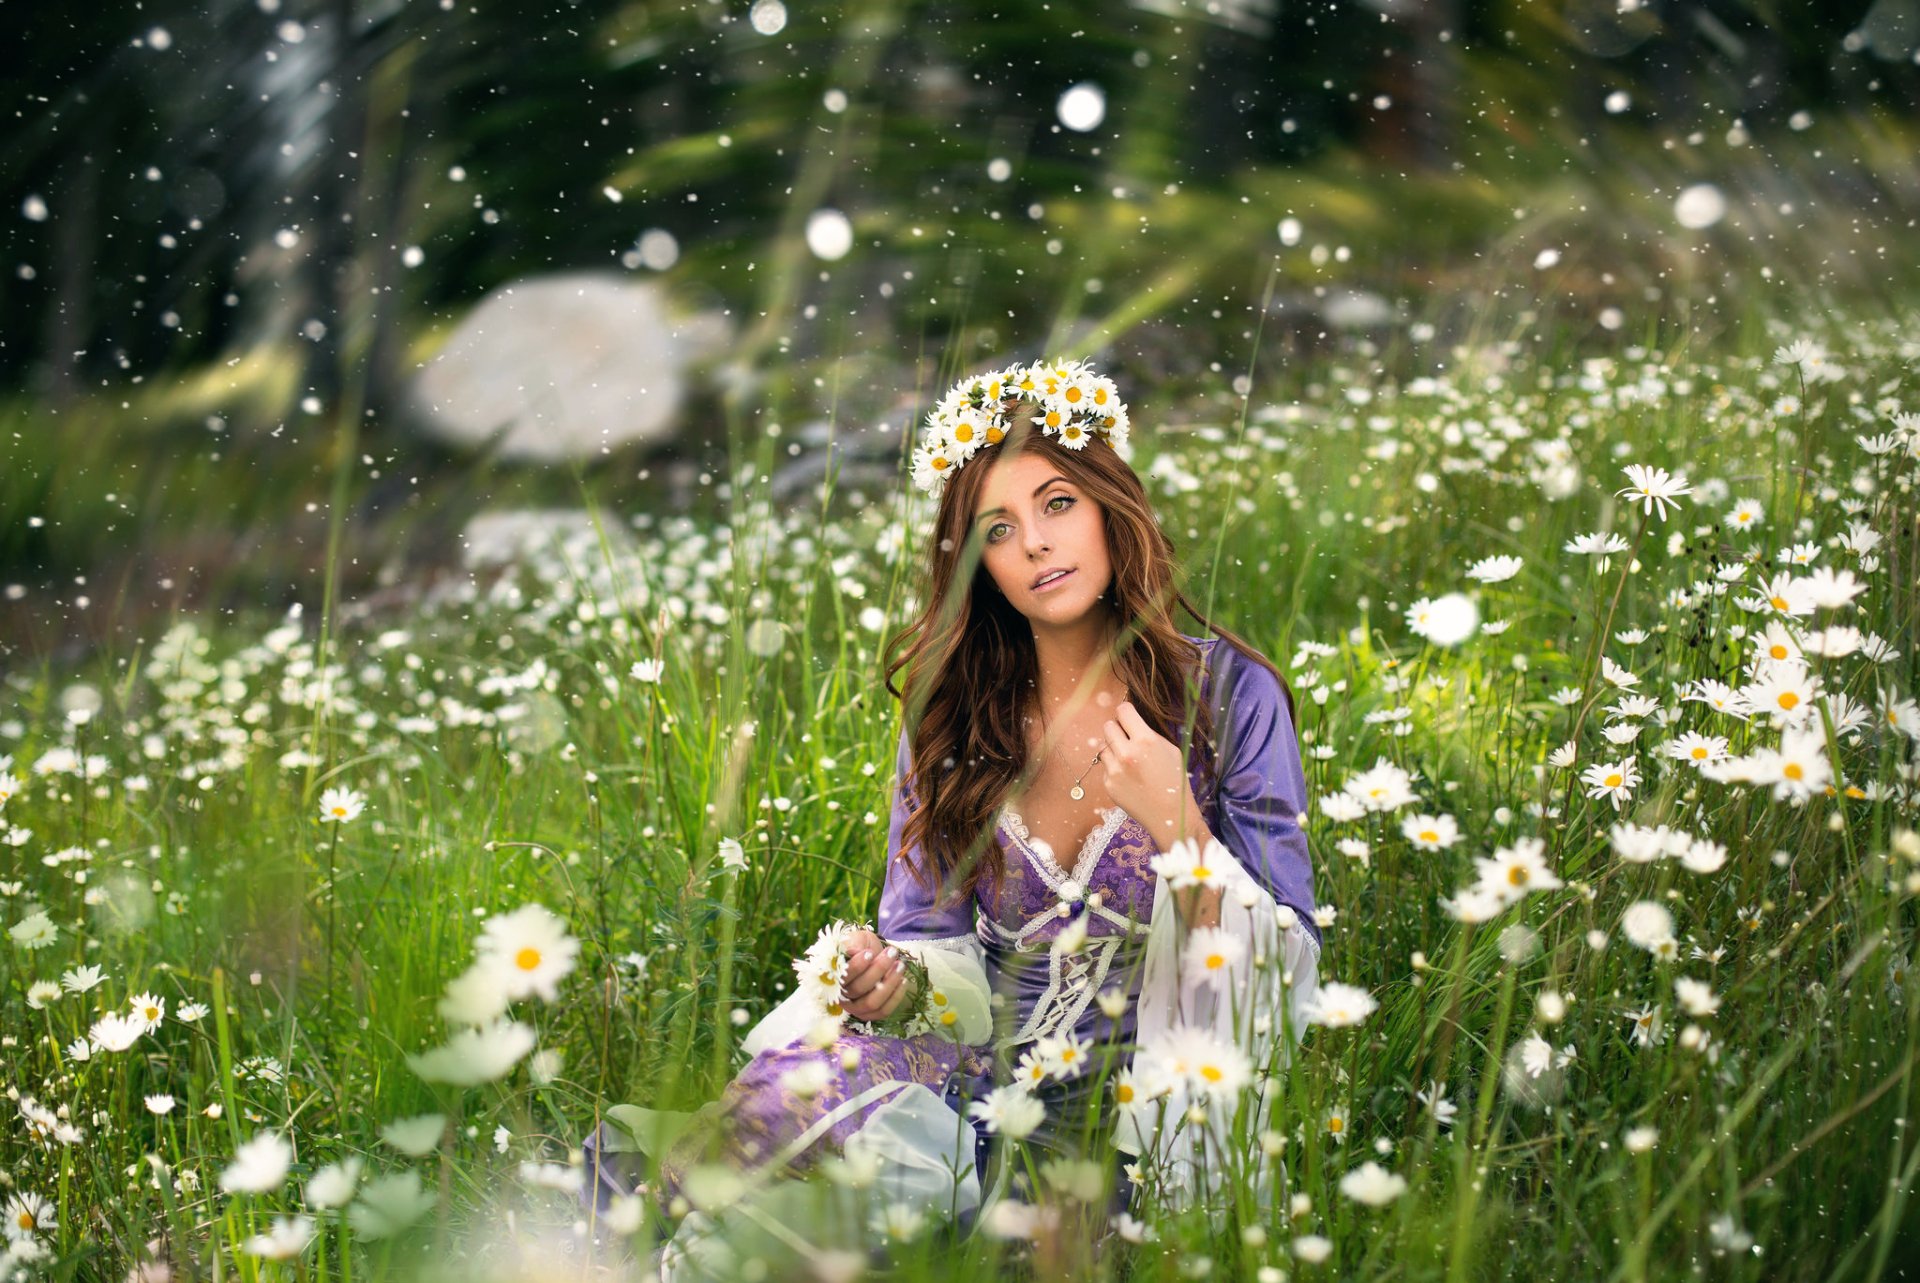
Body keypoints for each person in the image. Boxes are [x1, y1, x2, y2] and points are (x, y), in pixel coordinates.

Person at [582, 359, 1322, 1277]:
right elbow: (928, 932)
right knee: (813, 1094)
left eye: (1057, 504)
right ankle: (632, 1232)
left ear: (1108, 504)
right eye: (998, 529)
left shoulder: (1228, 699)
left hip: (1143, 1122)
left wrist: (1180, 824)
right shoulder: (954, 710)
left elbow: (1281, 986)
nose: (1036, 547)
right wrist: (896, 985)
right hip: (973, 1082)